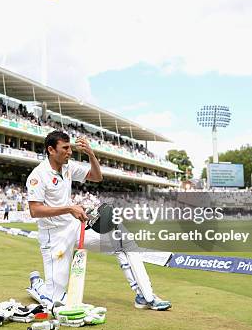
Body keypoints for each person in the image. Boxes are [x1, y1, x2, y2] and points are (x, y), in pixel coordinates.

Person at [25, 130, 171, 311]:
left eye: (70, 147)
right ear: (51, 150)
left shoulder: (68, 167)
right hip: (54, 237)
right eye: (65, 148)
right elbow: (35, 210)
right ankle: (37, 285)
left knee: (123, 240)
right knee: (57, 300)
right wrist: (69, 208)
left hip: (76, 229)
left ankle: (145, 296)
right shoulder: (38, 175)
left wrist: (91, 154)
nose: (70, 152)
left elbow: (96, 177)